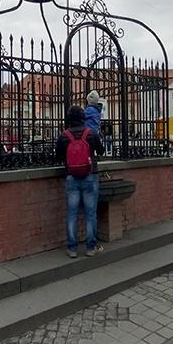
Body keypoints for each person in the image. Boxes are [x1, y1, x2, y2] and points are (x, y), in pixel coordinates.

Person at [56, 105, 105, 258]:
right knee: (91, 214)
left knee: (72, 214)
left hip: (71, 176)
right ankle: (91, 248)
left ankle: (72, 249)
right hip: (90, 175)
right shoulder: (91, 133)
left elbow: (57, 156)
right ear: (83, 117)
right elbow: (101, 150)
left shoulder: (64, 136)